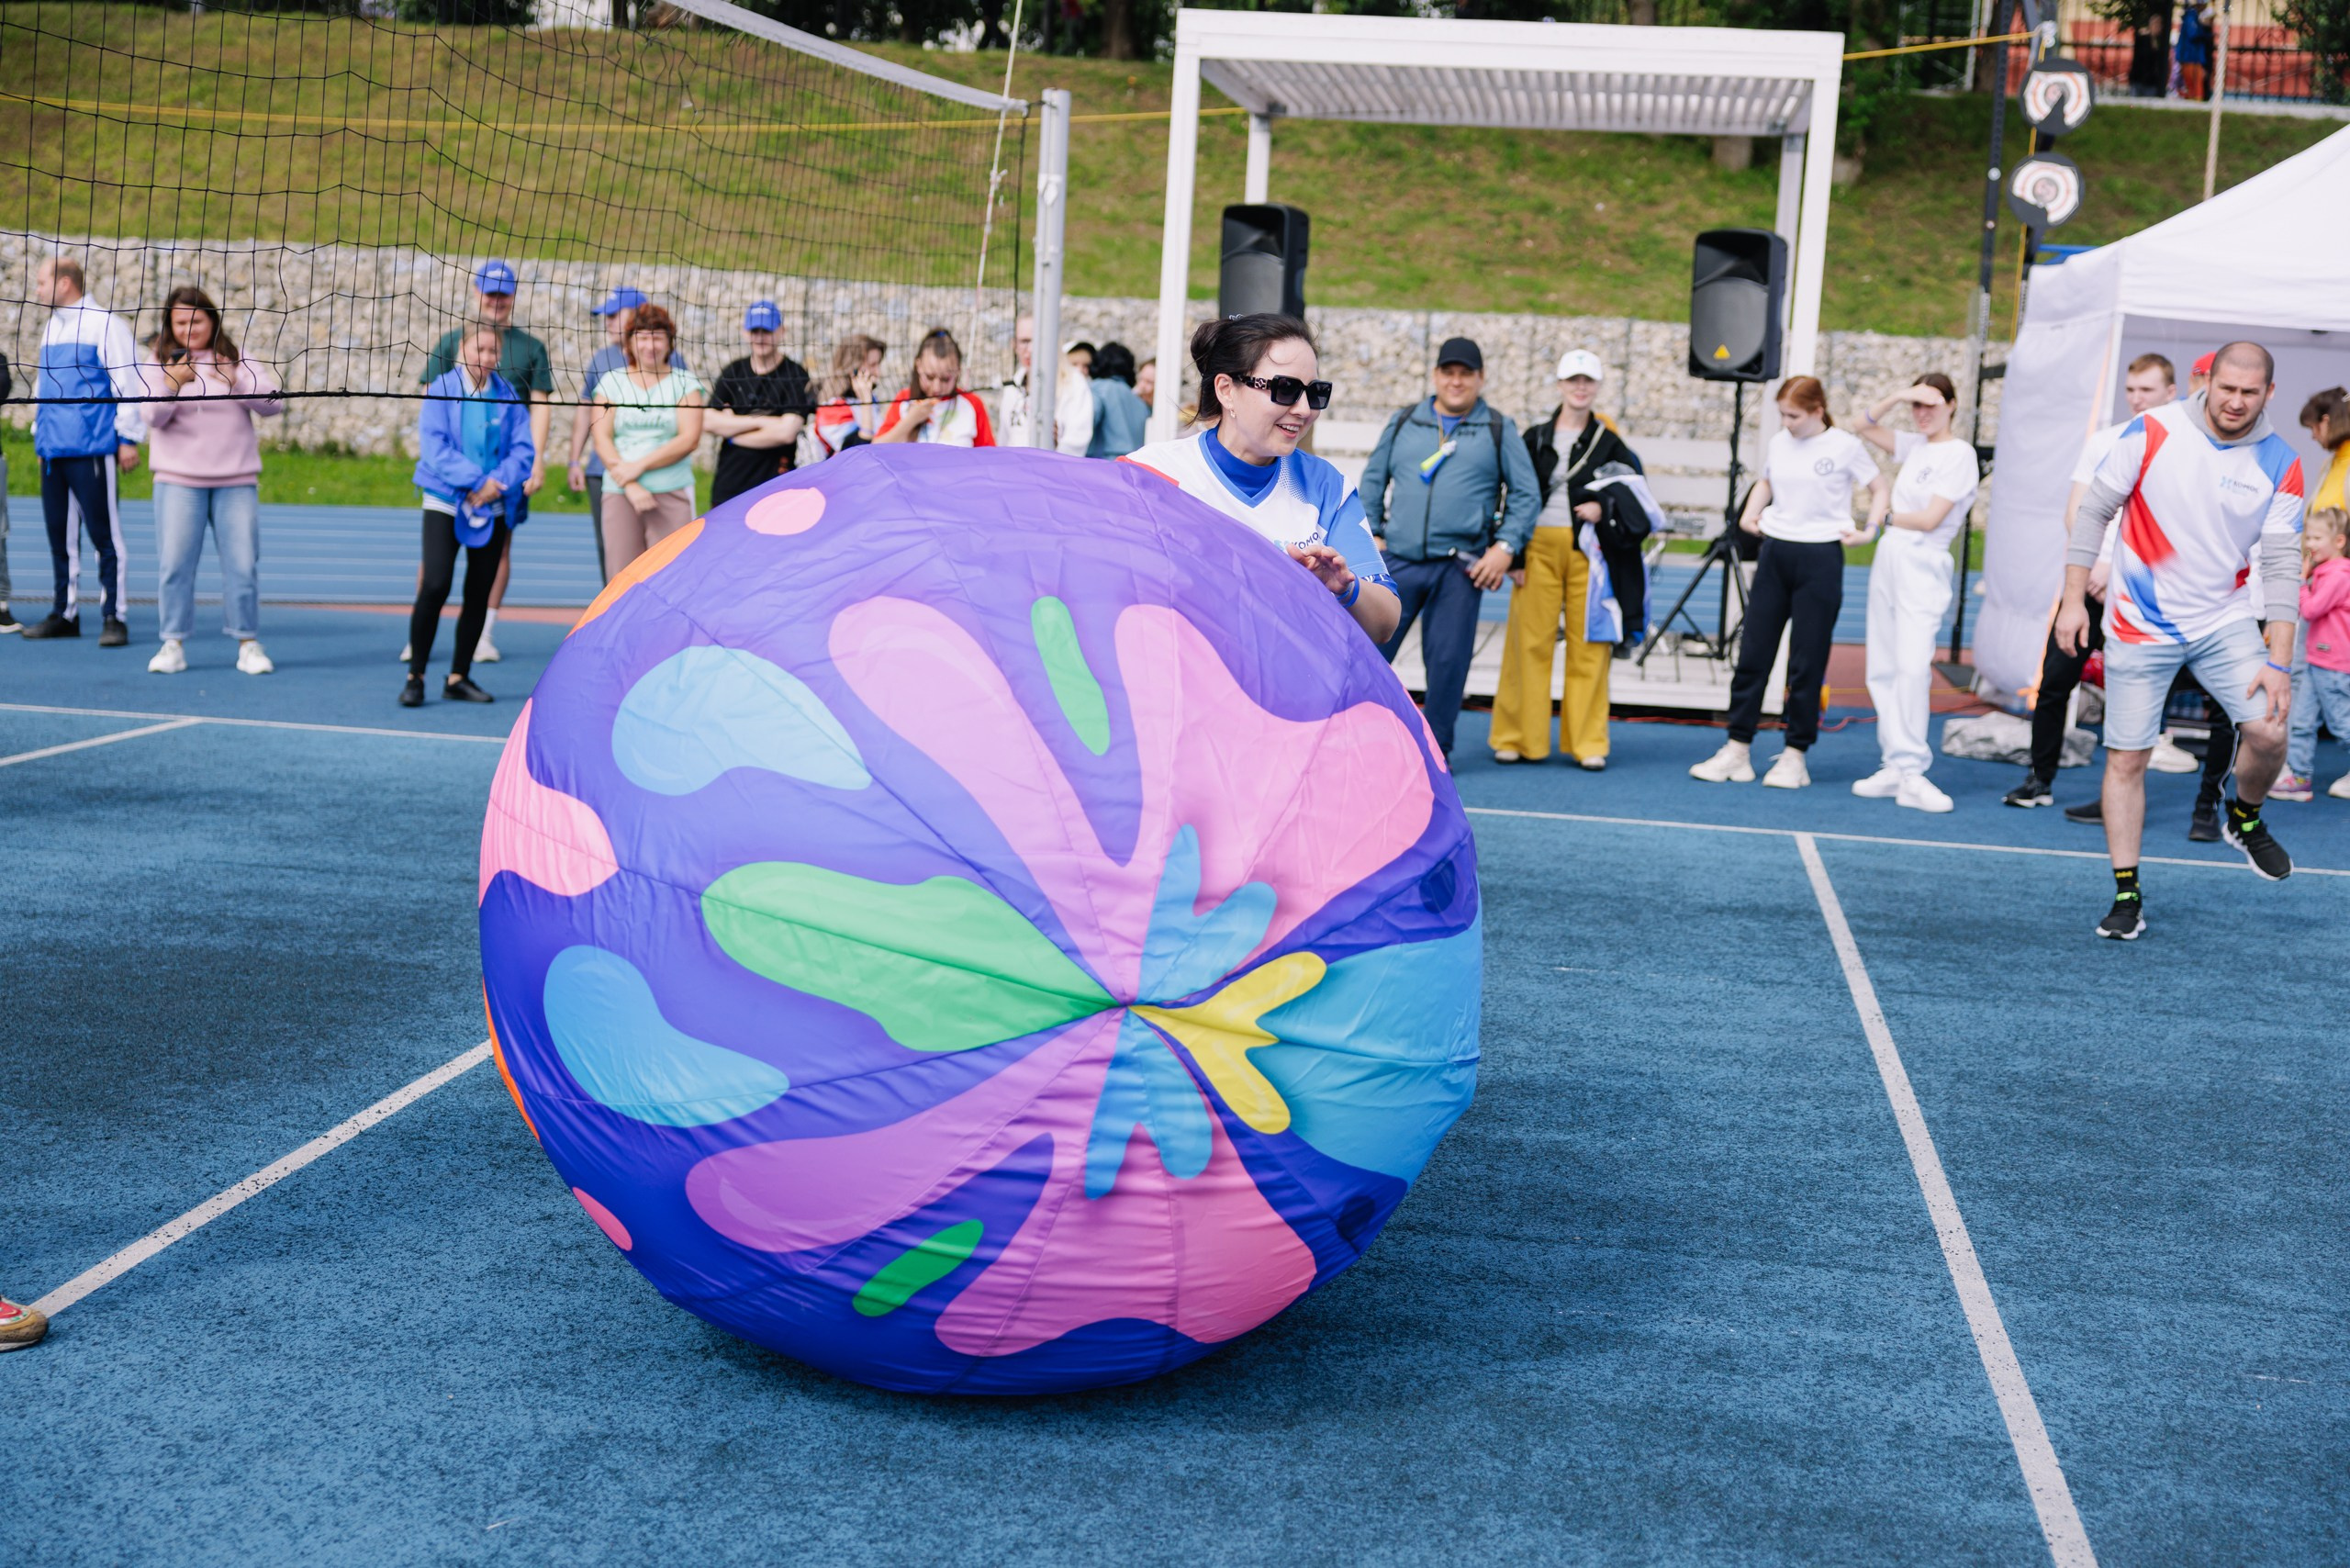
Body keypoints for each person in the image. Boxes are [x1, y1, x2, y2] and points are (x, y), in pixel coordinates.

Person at [2057, 341, 2303, 939]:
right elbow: (2093, 513)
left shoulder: (2282, 461)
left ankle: (2243, 817)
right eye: (2227, 388)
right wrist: (2070, 602)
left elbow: (2283, 566)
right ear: (2206, 381)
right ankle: (2127, 895)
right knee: (2127, 757)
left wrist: (2280, 662)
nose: (2237, 401)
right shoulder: (2151, 431)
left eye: (2250, 392)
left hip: (2222, 619)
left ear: (2269, 394)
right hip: (2139, 622)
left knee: (2270, 730)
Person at [1124, 314, 1400, 649]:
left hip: (1284, 697)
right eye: (1285, 389)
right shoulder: (1150, 473)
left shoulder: (1325, 486)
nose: (1303, 409)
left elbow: (1385, 622)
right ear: (1226, 390)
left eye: (1315, 393)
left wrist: (1345, 588)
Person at [1691, 375, 1889, 789]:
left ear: (1818, 411)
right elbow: (1766, 480)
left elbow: (1879, 486)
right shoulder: (1780, 442)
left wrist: (1870, 528)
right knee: (1753, 655)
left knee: (1806, 661)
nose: (1787, 423)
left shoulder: (1845, 446)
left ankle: (1795, 755)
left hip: (1820, 558)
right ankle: (1738, 749)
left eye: (1794, 415)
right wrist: (1749, 515)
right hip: (1775, 553)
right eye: (1782, 414)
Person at [2008, 353, 2178, 809]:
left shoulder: (2182, 449)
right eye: (2131, 390)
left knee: (2129, 691)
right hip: (2088, 585)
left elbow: (2174, 529)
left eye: (2147, 390)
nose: (2137, 398)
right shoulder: (2104, 441)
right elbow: (2076, 511)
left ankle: (2118, 796)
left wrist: (2116, 568)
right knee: (2055, 681)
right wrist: (2090, 572)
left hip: (2140, 589)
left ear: (2170, 393)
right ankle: (2038, 780)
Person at [1359, 336, 1539, 760]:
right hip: (1398, 562)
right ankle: (1354, 736)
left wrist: (1505, 548)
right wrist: (1374, 536)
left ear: (1480, 378)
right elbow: (1372, 479)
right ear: (1437, 375)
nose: (1456, 381)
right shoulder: (1405, 421)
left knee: (1447, 665)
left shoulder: (1497, 428)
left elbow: (1526, 494)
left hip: (1460, 568)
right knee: (1367, 651)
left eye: (1466, 374)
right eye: (1449, 372)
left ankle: (1435, 753)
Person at [1492, 348, 1639, 768]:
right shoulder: (1534, 437)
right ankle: (1518, 737)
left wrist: (1603, 508)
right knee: (1528, 644)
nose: (1580, 387)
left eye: (1587, 381)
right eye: (1573, 380)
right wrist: (1514, 554)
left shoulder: (1610, 441)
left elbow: (1633, 494)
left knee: (1590, 645)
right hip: (1535, 548)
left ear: (1596, 387)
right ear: (1559, 385)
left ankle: (1588, 742)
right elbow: (1513, 494)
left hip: (1589, 556)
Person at [137, 285, 284, 677]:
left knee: (242, 565)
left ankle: (248, 643)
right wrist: (172, 385)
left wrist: (235, 380)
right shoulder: (159, 361)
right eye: (180, 321)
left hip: (235, 479)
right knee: (175, 565)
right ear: (170, 323)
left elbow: (275, 404)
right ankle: (173, 643)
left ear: (212, 320)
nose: (189, 328)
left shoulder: (234, 357)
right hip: (178, 479)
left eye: (196, 320)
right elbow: (151, 418)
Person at [1850, 373, 1980, 813]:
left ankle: (1913, 770)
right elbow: (1861, 425)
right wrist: (1899, 395)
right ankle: (1895, 764)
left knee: (1910, 666)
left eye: (1931, 404)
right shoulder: (1916, 445)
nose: (1922, 414)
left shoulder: (1959, 454)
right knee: (1882, 666)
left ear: (1952, 405)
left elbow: (1929, 519)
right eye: (1917, 406)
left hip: (1922, 560)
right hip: (1891, 557)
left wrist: (1879, 518)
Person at [414, 263, 551, 665]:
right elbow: (433, 429)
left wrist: (509, 476)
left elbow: (533, 421)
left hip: (497, 490)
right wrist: (473, 479)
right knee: (436, 578)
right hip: (449, 491)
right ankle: (417, 664)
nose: (496, 300)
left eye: (503, 293)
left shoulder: (524, 359)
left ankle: (470, 657)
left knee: (484, 578)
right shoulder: (447, 362)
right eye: (490, 292)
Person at [408, 323, 534, 707]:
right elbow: (434, 448)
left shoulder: (508, 393)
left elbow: (523, 451)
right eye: (479, 349)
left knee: (479, 592)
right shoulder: (442, 389)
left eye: (493, 351)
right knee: (435, 585)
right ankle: (416, 675)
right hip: (446, 499)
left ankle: (459, 676)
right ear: (462, 350)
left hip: (491, 502)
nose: (486, 358)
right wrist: (477, 480)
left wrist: (496, 483)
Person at [25, 255, 144, 644]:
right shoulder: (50, 328)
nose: (37, 290)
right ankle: (65, 613)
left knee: (104, 536)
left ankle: (114, 616)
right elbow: (44, 390)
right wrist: (38, 436)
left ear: (64, 283)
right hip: (53, 452)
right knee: (60, 538)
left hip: (92, 450)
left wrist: (127, 439)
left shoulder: (105, 323)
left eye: (41, 282)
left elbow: (129, 384)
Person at [565, 287, 684, 581]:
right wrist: (573, 460)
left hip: (659, 476)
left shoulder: (672, 361)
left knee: (660, 563)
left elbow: (685, 425)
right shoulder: (601, 359)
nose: (607, 321)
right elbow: (585, 412)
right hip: (606, 472)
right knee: (614, 558)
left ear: (637, 314)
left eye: (614, 314)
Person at [2272, 388, 2350, 801]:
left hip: (2333, 600)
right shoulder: (2330, 464)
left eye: (2313, 427)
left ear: (2327, 421)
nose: (2313, 437)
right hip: (2321, 594)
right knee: (2304, 686)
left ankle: (2299, 769)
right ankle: (2298, 771)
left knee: (2338, 702)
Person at [590, 304, 705, 573]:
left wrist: (638, 466)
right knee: (621, 581)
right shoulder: (611, 382)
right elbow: (601, 438)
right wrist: (629, 482)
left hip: (671, 490)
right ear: (630, 342)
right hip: (621, 492)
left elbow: (689, 439)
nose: (649, 345)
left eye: (657, 337)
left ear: (669, 342)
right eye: (642, 337)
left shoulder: (685, 383)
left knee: (670, 579)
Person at [705, 300, 814, 508]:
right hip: (729, 485)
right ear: (746, 333)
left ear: (782, 331)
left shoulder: (795, 375)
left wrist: (732, 433)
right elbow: (708, 421)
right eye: (755, 331)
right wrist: (767, 421)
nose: (760, 337)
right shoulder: (734, 372)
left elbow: (786, 432)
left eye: (766, 331)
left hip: (774, 488)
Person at [2284, 507, 2350, 799]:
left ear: (2338, 541)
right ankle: (2299, 777)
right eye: (2307, 537)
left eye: (2316, 538)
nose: (2309, 544)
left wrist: (2300, 581)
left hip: (2334, 665)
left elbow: (2310, 610)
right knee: (2301, 720)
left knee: (2342, 724)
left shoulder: (2339, 575)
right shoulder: (2323, 572)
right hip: (2314, 659)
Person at [876, 329, 996, 446]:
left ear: (958, 371)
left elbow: (989, 457)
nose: (937, 388)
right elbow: (875, 448)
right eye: (930, 377)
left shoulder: (972, 404)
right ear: (918, 366)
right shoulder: (904, 400)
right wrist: (911, 420)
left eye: (945, 379)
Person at [999, 314, 1089, 449]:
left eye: (1038, 341)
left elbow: (1077, 445)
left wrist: (1055, 446)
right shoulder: (1011, 388)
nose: (1030, 349)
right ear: (1014, 344)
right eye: (1024, 341)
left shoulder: (1074, 384)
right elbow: (1004, 441)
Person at [811, 334, 888, 456]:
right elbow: (857, 454)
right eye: (873, 365)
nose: (878, 372)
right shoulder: (833, 408)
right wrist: (866, 402)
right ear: (854, 368)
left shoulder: (869, 398)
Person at [1086, 341, 1151, 460]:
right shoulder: (1140, 403)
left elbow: (1086, 421)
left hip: (1104, 465)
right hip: (1133, 464)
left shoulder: (1098, 388)